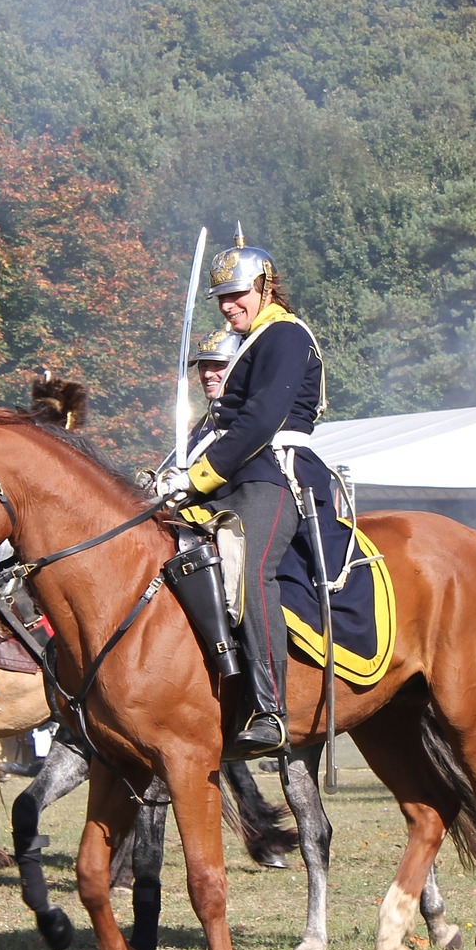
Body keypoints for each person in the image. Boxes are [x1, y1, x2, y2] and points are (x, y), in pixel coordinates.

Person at [158, 226, 332, 758]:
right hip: (234, 475)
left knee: (252, 567)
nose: (228, 306)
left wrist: (197, 476)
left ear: (265, 285)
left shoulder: (285, 335)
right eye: (222, 298)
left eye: (236, 294)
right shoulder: (254, 340)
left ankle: (271, 708)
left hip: (274, 475)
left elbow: (259, 421)